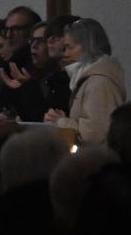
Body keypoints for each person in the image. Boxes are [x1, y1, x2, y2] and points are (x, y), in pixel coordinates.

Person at [44, 18, 124, 146]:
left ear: (88, 46)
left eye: (69, 47)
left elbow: (95, 134)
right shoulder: (91, 79)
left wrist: (62, 122)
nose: (64, 54)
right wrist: (65, 119)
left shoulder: (98, 83)